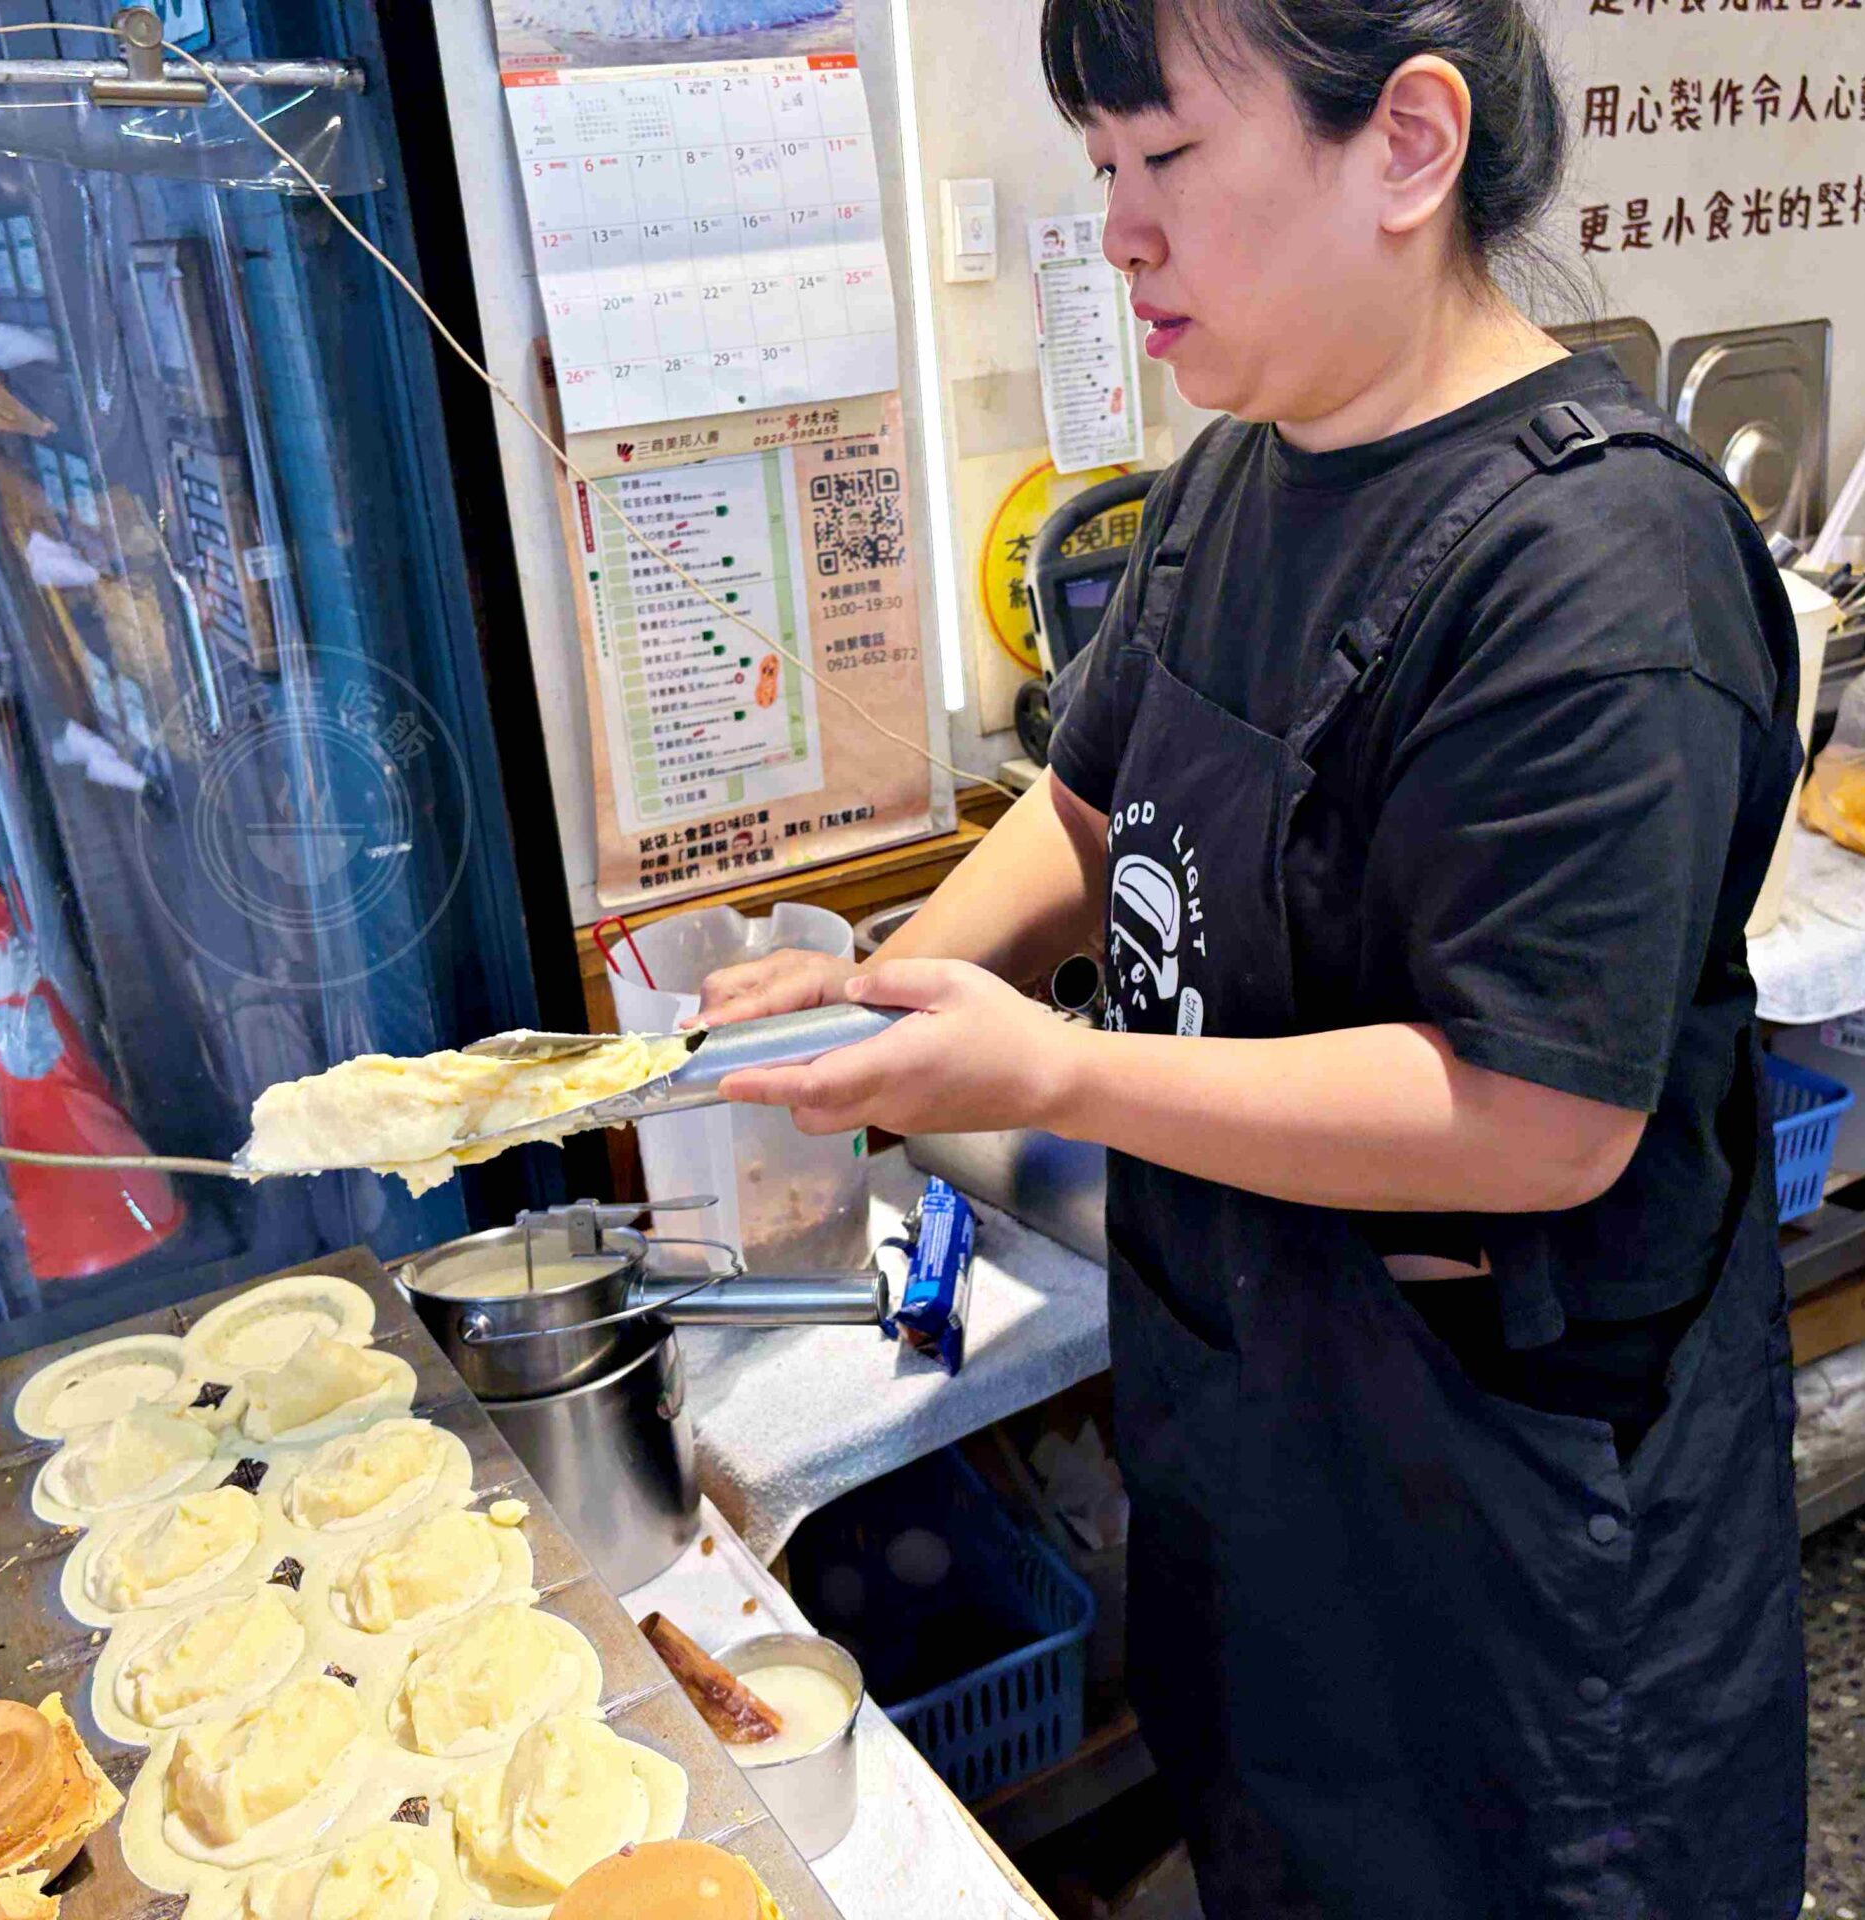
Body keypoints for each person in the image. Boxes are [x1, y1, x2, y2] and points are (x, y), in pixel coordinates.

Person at [698, 2, 1808, 1911]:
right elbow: (1085, 809)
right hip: (1259, 1431)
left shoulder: (1600, 570)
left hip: (1508, 1519)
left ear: (1408, 145)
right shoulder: (1235, 474)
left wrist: (1051, 1070)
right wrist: (879, 982)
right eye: (1101, 167)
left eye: (1170, 158)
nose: (1119, 230)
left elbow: (1538, 1120)